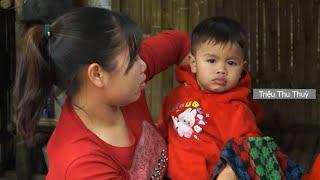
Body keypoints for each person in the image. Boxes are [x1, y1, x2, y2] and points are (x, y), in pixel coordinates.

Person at [13, 7, 190, 179]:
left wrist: (203, 101)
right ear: (97, 74)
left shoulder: (123, 85)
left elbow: (179, 42)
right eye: (133, 58)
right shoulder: (82, 163)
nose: (143, 64)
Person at [157, 16, 302, 179]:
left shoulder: (236, 109)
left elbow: (250, 152)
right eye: (212, 60)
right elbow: (160, 134)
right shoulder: (174, 97)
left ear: (242, 67)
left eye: (231, 63)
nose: (221, 69)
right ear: (193, 63)